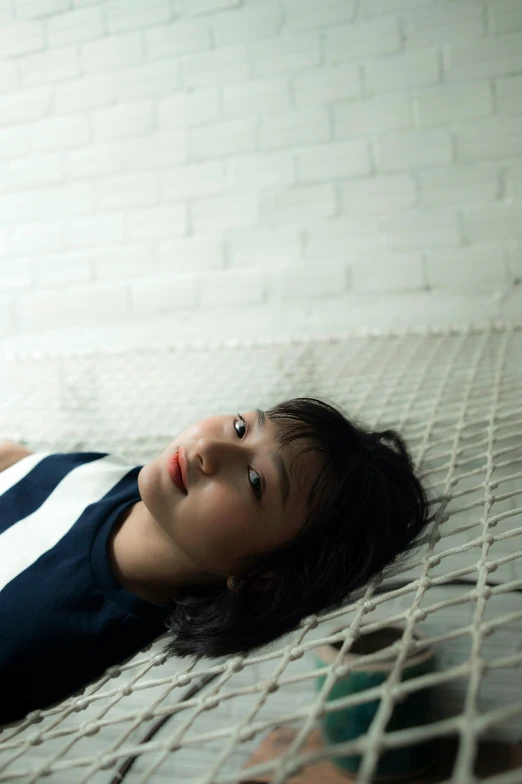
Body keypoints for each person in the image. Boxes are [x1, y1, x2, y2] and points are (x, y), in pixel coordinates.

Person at [0, 397, 430, 726]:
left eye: (255, 480)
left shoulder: (39, 627)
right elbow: (20, 463)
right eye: (242, 428)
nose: (207, 446)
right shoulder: (114, 474)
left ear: (258, 577)